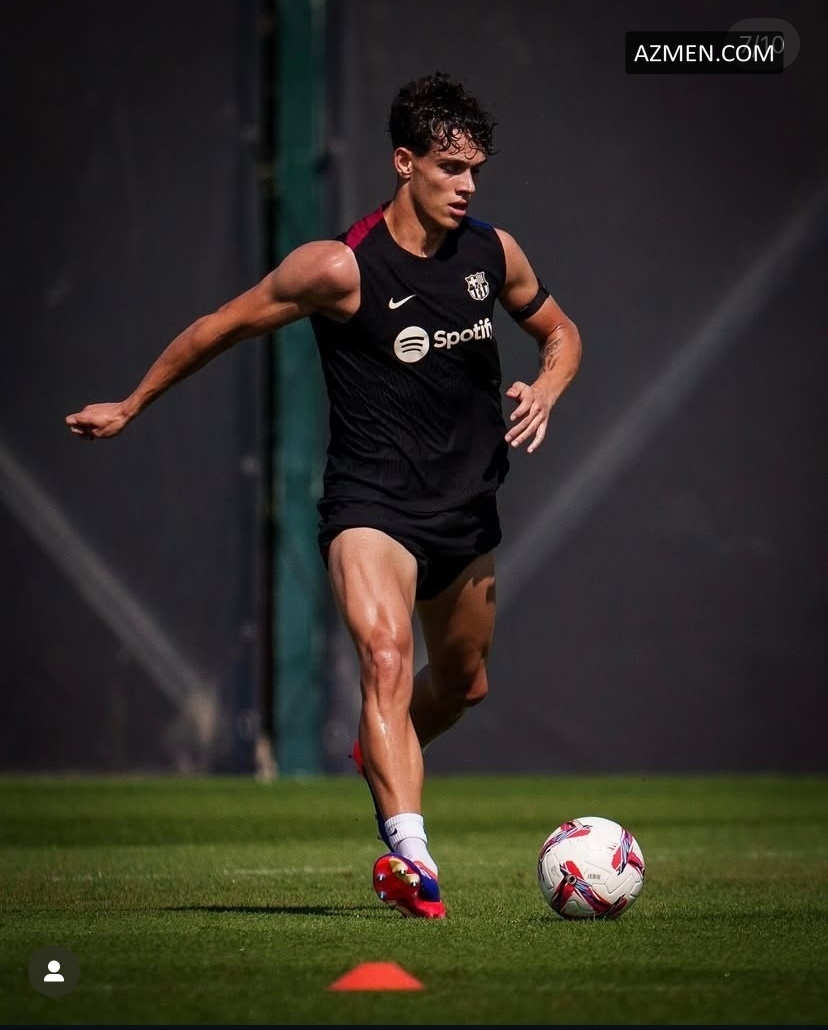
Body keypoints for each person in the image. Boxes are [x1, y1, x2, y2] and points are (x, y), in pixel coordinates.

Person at [66, 71, 582, 919]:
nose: (466, 185)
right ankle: (412, 858)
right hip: (371, 505)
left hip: (464, 508)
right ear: (404, 162)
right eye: (450, 167)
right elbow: (219, 327)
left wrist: (549, 387)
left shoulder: (494, 252)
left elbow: (561, 332)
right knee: (385, 659)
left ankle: (382, 744)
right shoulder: (339, 267)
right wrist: (131, 403)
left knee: (463, 684)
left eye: (475, 170)